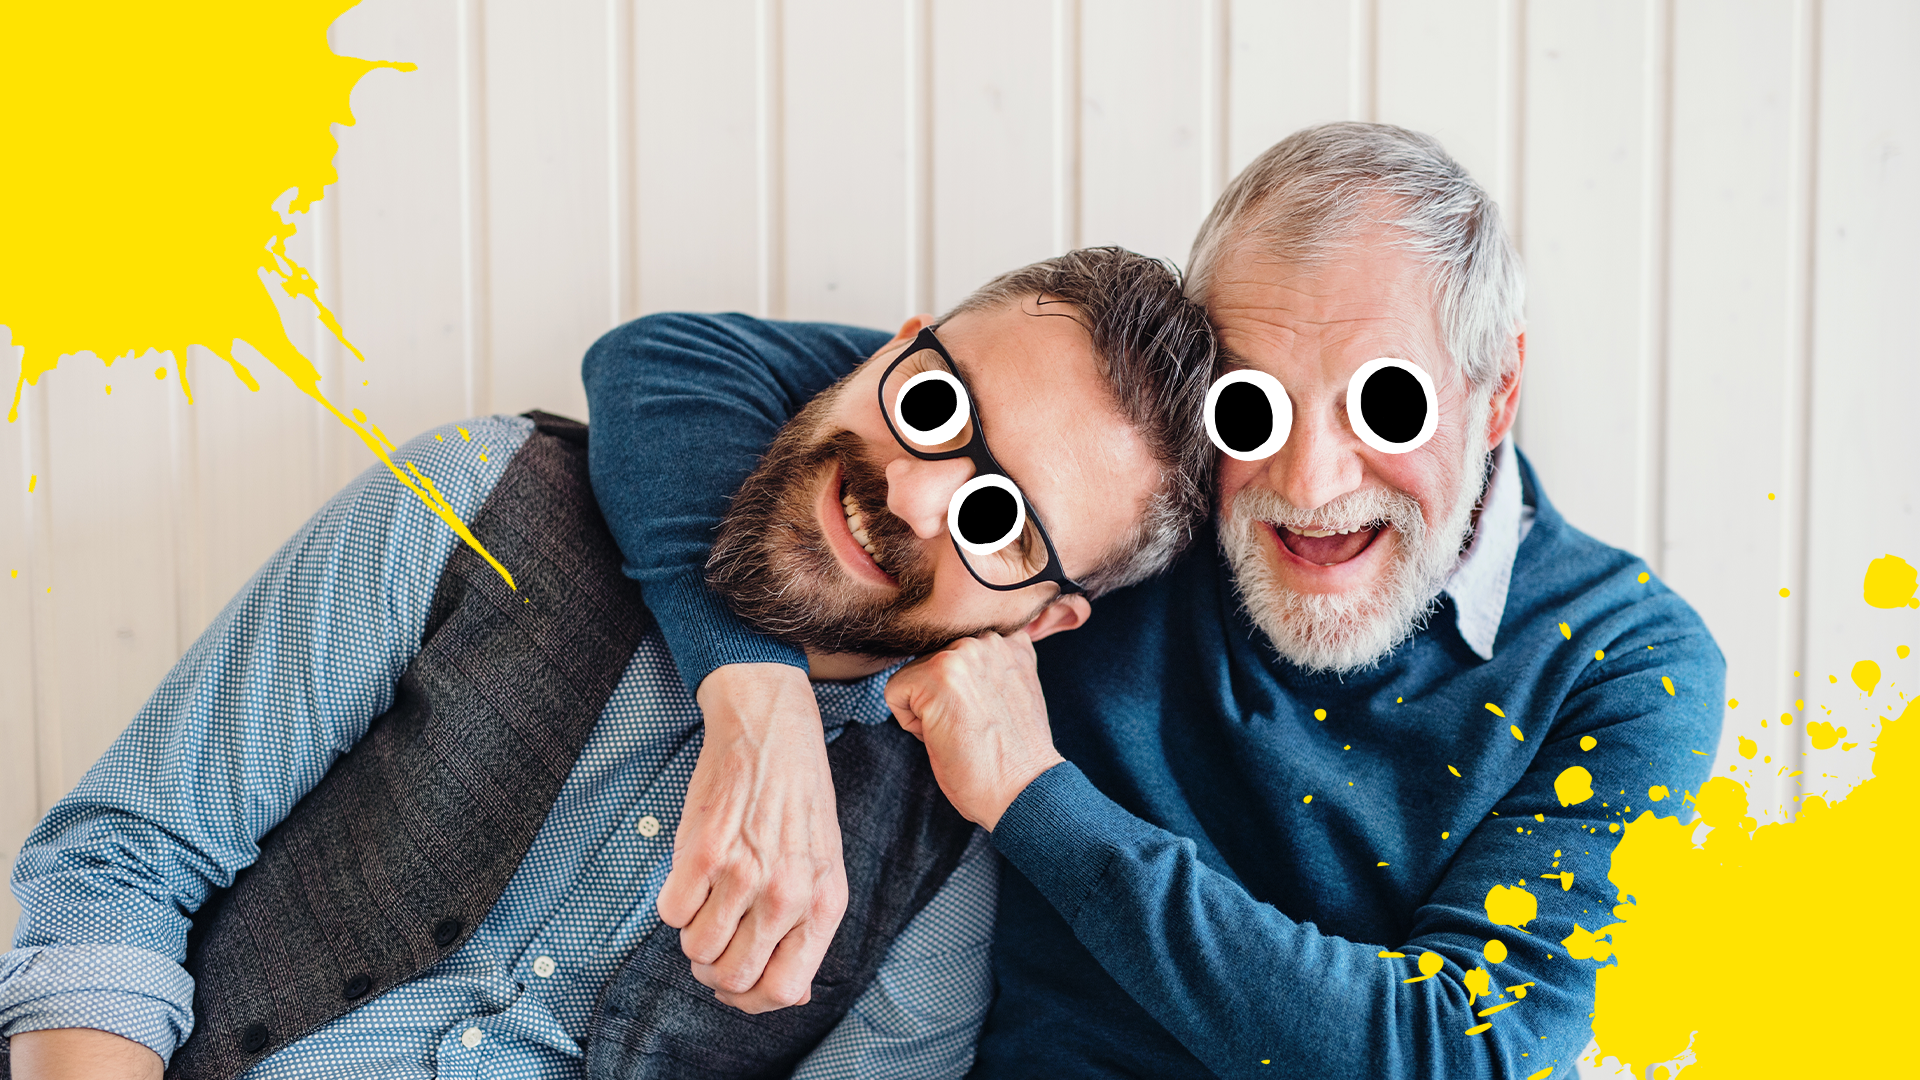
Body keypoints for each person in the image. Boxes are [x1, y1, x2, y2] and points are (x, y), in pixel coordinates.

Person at [582, 123, 1725, 1078]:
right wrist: (758, 697)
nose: (1310, 485)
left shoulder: (1622, 664)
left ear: (1496, 394)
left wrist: (1035, 796)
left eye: (1386, 404)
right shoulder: (1138, 493)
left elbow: (1464, 1051)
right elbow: (669, 369)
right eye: (1251, 407)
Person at [0, 248, 1218, 1080]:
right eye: (938, 401)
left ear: (1046, 621)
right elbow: (121, 864)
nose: (908, 484)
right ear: (892, 349)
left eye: (1000, 518)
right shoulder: (473, 503)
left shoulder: (943, 870)